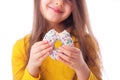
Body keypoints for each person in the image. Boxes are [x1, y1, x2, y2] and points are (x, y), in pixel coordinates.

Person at [11, 0, 103, 80]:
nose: (59, 2)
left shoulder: (87, 44)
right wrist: (32, 67)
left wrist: (81, 67)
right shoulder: (22, 47)